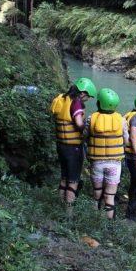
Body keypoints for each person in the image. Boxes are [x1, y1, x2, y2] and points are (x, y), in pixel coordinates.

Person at [50, 77, 97, 208]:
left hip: (61, 145)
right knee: (73, 180)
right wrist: (88, 130)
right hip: (73, 149)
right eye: (88, 96)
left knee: (64, 177)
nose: (88, 99)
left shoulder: (62, 98)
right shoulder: (76, 103)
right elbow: (78, 123)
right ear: (83, 93)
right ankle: (68, 214)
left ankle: (59, 207)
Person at [84, 88, 129, 219]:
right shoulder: (122, 120)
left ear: (99, 103)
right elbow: (126, 141)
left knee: (97, 193)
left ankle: (94, 218)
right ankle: (108, 224)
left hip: (97, 162)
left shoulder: (91, 118)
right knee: (110, 196)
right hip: (114, 164)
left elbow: (84, 137)